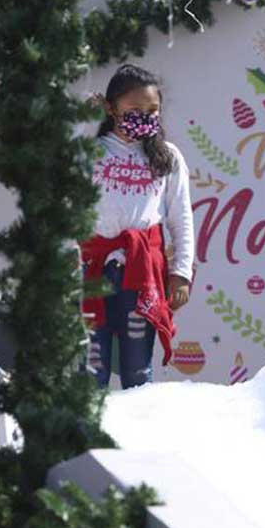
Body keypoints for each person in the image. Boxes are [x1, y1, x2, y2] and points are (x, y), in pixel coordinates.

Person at [80, 64, 194, 389]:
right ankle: (87, 437)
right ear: (110, 107)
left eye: (152, 110)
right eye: (133, 109)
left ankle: (137, 436)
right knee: (92, 369)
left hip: (140, 274)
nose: (143, 116)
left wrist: (180, 273)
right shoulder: (88, 153)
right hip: (91, 273)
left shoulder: (168, 157)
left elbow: (181, 217)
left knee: (137, 368)